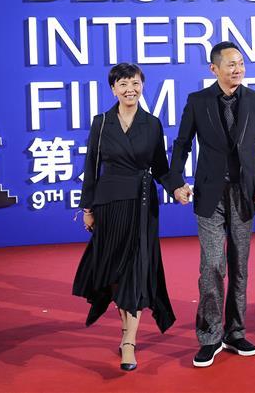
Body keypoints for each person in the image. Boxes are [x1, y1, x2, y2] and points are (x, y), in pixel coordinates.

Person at [166, 42, 255, 368]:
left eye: (240, 63)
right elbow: (182, 144)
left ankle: (235, 332)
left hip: (245, 194)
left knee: (239, 266)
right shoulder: (197, 101)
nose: (237, 69)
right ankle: (210, 336)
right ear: (214, 69)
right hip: (209, 195)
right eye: (230, 64)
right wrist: (175, 182)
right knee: (212, 265)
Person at [72, 63, 175, 371]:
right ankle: (124, 331)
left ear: (142, 86)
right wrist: (87, 208)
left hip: (142, 206)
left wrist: (177, 187)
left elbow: (161, 167)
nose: (130, 89)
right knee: (115, 274)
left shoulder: (152, 124)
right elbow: (91, 167)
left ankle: (129, 341)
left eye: (135, 83)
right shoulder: (101, 122)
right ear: (113, 89)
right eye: (123, 84)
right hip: (109, 205)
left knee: (136, 269)